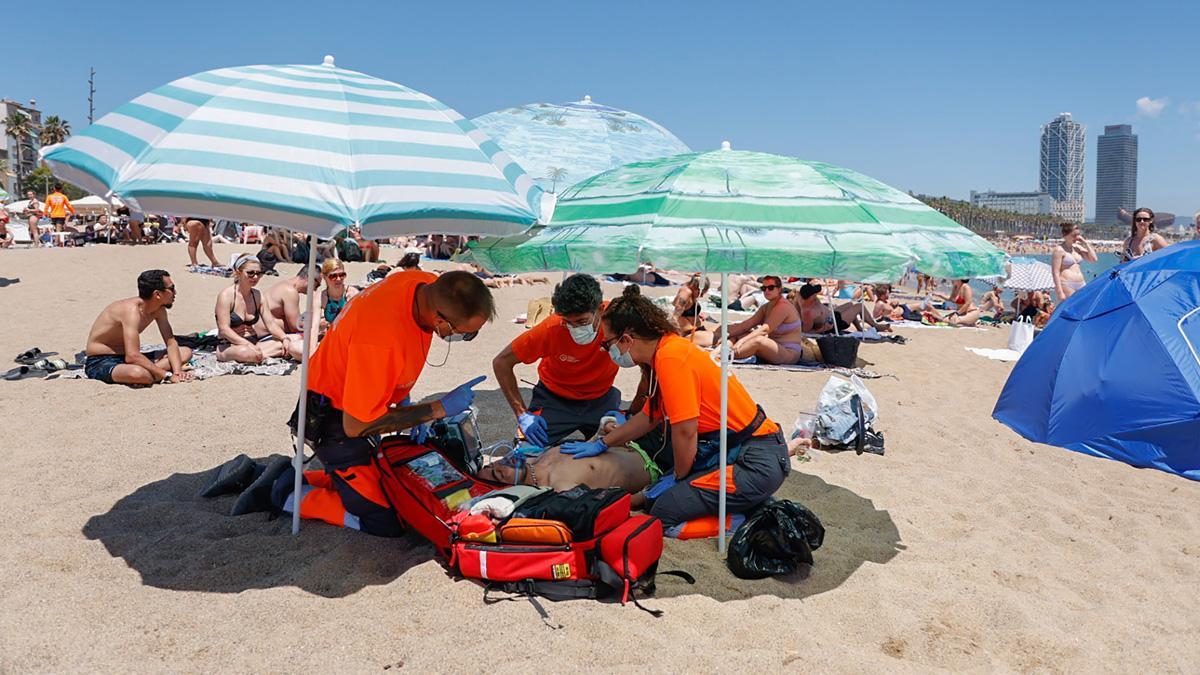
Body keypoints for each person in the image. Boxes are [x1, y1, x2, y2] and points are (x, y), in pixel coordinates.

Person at [211, 270, 497, 537]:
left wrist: (403, 399)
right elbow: (356, 424)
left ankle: (284, 474)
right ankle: (281, 491)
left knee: (392, 487)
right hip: (334, 420)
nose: (463, 337)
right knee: (386, 519)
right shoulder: (381, 337)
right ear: (438, 318)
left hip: (361, 403)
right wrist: (435, 410)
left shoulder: (422, 283)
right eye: (464, 333)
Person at [561, 285, 788, 530]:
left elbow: (685, 432)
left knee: (664, 511)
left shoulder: (671, 359)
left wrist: (679, 478)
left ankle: (747, 519)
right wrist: (602, 443)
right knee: (653, 496)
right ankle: (739, 500)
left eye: (607, 345)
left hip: (753, 461)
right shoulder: (666, 351)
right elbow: (649, 416)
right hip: (742, 451)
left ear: (626, 340)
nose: (607, 350)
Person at [493, 273, 634, 447]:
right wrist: (522, 414)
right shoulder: (551, 328)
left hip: (601, 398)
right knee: (525, 449)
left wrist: (633, 411)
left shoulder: (618, 319)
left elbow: (651, 356)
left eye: (582, 321)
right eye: (568, 322)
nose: (574, 329)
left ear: (599, 310)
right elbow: (501, 362)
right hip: (554, 398)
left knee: (627, 447)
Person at [83, 270, 194, 386]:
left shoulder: (159, 309)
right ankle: (153, 373)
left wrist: (177, 372)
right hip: (101, 360)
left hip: (128, 358)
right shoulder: (131, 311)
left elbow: (171, 343)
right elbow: (132, 356)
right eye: (171, 288)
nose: (175, 292)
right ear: (157, 294)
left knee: (185, 352)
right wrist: (166, 375)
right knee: (139, 374)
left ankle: (152, 372)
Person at [215, 254, 302, 363]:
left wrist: (284, 338)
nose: (255, 277)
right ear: (238, 273)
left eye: (259, 273)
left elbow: (271, 324)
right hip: (230, 346)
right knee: (245, 352)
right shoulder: (226, 296)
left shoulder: (258, 295)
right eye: (250, 273)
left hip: (255, 343)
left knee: (294, 339)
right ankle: (260, 355)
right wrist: (247, 344)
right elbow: (224, 330)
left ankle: (259, 356)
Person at [712, 275, 810, 364]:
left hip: (789, 353)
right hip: (774, 347)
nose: (766, 291)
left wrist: (742, 341)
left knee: (758, 341)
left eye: (771, 288)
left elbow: (764, 330)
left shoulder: (783, 307)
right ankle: (717, 351)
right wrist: (728, 333)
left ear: (780, 289)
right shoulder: (767, 306)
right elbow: (747, 324)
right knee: (739, 333)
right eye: (764, 288)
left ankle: (727, 355)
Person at [263, 266, 321, 334]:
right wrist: (318, 325)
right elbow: (295, 327)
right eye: (317, 285)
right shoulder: (290, 291)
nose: (316, 289)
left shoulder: (284, 285)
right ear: (310, 279)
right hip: (267, 336)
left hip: (264, 333)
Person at [1051, 222, 1098, 301]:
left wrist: (1085, 243)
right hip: (1067, 284)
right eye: (1074, 235)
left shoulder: (1077, 248)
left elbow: (1094, 259)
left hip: (1081, 284)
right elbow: (1055, 272)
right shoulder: (1059, 250)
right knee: (1072, 309)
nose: (1076, 237)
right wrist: (1059, 292)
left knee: (1084, 307)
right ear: (1065, 235)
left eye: (1078, 235)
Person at [319, 258, 358, 333]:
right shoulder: (322, 297)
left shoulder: (351, 294)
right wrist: (321, 325)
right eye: (333, 276)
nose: (338, 279)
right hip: (328, 337)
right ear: (324, 277)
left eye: (342, 275)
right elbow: (315, 327)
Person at [673, 274, 710, 340]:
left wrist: (696, 315)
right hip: (688, 333)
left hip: (694, 330)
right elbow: (674, 318)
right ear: (693, 286)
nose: (701, 296)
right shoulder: (686, 293)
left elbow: (677, 304)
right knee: (723, 337)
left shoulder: (688, 288)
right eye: (700, 293)